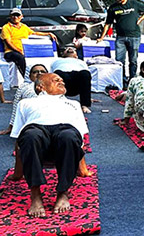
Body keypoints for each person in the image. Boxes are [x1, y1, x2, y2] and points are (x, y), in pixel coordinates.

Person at [9, 73, 90, 217]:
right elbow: (18, 139)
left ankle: (62, 192)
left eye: (62, 80)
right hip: (36, 131)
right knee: (30, 136)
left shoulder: (74, 104)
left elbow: (81, 140)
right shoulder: (26, 103)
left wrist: (83, 169)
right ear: (40, 87)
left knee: (69, 137)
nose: (61, 82)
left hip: (65, 131)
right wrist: (17, 173)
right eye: (55, 80)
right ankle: (35, 194)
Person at [97, 0, 144, 87]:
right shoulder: (113, 8)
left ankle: (132, 81)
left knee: (133, 60)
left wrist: (140, 19)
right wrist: (101, 37)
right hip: (120, 38)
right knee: (119, 61)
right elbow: (108, 23)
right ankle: (122, 81)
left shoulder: (134, 3)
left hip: (134, 36)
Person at [2, 8, 57, 77]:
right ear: (10, 16)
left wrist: (48, 33)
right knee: (20, 57)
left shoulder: (24, 27)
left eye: (17, 15)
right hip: (11, 52)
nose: (15, 17)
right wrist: (19, 51)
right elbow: (8, 43)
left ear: (21, 17)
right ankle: (26, 77)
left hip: (25, 51)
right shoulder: (6, 27)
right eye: (13, 15)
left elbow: (34, 33)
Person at [1, 64, 47, 135]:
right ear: (30, 77)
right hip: (31, 122)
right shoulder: (23, 87)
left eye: (42, 71)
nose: (39, 73)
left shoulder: (55, 88)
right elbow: (16, 108)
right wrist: (11, 127)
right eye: (35, 72)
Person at [51, 47, 93, 113]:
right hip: (63, 79)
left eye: (73, 49)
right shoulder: (56, 61)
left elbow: (88, 79)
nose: (70, 48)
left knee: (85, 73)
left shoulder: (81, 62)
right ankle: (57, 102)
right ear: (63, 54)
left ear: (76, 56)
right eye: (66, 49)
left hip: (77, 81)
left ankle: (85, 105)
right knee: (57, 73)